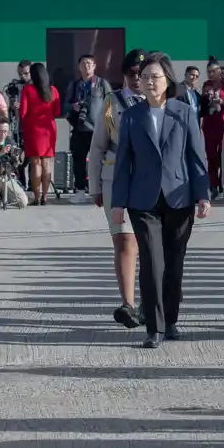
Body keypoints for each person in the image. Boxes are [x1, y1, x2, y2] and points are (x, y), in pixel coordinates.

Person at [110, 52, 211, 349]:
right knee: (152, 262)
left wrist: (203, 194)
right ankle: (153, 328)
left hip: (179, 197)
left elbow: (197, 157)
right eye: (144, 77)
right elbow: (123, 162)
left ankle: (171, 320)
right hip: (143, 201)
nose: (149, 82)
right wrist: (118, 202)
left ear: (167, 80)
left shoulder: (184, 112)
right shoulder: (131, 117)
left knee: (174, 263)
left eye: (155, 77)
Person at [88, 49, 146, 329]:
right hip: (117, 179)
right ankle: (128, 303)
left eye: (142, 74)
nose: (137, 79)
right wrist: (95, 185)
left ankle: (151, 300)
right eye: (132, 74)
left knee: (151, 243)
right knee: (125, 240)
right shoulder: (112, 103)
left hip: (150, 181)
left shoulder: (161, 103)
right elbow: (98, 146)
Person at [64, 54, 112, 203]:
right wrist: (73, 107)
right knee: (78, 160)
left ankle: (101, 191)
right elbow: (65, 105)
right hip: (79, 128)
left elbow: (111, 102)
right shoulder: (74, 85)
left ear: (95, 66)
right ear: (79, 67)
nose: (87, 66)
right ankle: (79, 191)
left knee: (101, 161)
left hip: (98, 129)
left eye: (89, 63)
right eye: (84, 63)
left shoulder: (101, 83)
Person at [19, 62, 61, 205]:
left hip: (33, 130)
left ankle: (36, 198)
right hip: (49, 130)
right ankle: (45, 197)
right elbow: (57, 112)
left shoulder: (27, 90)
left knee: (35, 163)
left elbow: (22, 113)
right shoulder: (53, 90)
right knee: (47, 163)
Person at [0, 117, 28, 208]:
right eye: (0, 131)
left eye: (5, 131)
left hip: (7, 176)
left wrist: (17, 160)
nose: (3, 134)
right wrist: (1, 152)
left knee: (23, 202)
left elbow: (17, 163)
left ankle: (4, 198)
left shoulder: (10, 142)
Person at [200, 79, 224, 199]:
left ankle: (222, 185)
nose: (209, 93)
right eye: (206, 91)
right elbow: (202, 112)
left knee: (223, 157)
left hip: (222, 130)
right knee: (211, 158)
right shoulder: (203, 100)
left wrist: (221, 103)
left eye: (210, 91)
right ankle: (213, 186)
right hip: (209, 131)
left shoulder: (222, 94)